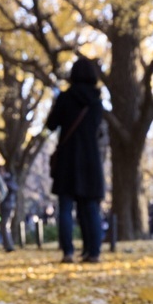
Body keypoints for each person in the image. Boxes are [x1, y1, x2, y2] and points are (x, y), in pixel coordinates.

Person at [46, 56, 105, 263]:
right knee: (90, 207)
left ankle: (68, 252)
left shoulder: (65, 98)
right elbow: (98, 131)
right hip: (90, 159)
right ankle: (93, 251)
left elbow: (50, 125)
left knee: (65, 207)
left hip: (68, 158)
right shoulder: (97, 101)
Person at [0, 167, 17, 252]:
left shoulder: (7, 180)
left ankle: (9, 246)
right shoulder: (3, 179)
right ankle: (7, 245)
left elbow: (14, 188)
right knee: (4, 226)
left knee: (5, 225)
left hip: (8, 205)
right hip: (4, 206)